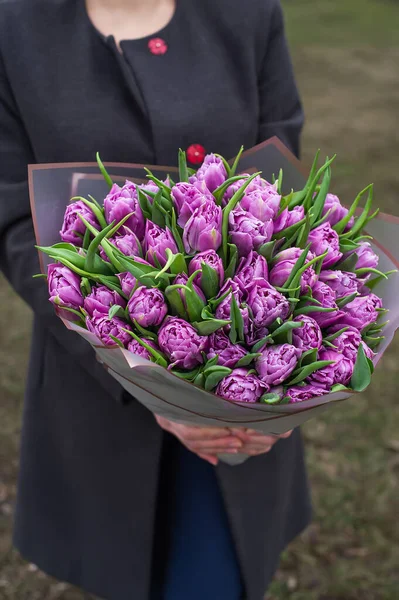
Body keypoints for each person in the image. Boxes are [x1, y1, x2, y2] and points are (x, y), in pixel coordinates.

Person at [0, 0, 311, 598]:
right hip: (94, 387)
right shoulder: (13, 29)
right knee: (124, 563)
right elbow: (16, 221)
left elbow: (282, 187)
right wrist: (143, 376)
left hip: (239, 397)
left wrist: (271, 386)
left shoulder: (247, 14)